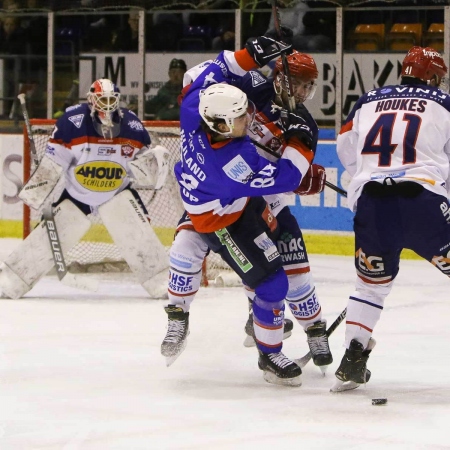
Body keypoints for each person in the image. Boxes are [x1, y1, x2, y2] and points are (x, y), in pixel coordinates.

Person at [167, 35, 328, 386]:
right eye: (297, 85)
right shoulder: (233, 161)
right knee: (192, 250)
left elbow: (209, 74)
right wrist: (299, 159)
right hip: (227, 202)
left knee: (290, 265)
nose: (302, 95)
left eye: (308, 88)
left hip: (234, 196)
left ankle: (286, 323)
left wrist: (246, 55)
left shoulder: (196, 108)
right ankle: (181, 315)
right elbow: (281, 176)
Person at [332, 46, 450, 392]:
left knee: (370, 286)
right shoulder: (443, 103)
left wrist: (364, 179)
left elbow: (344, 145)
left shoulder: (368, 99)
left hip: (373, 203)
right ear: (431, 76)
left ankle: (352, 359)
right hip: (423, 201)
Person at [0, 78, 170, 300]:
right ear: (91, 99)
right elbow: (53, 164)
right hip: (77, 194)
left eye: (111, 99)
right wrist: (39, 189)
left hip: (116, 192)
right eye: (102, 99)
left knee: (138, 236)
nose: (107, 105)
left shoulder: (131, 124)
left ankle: (162, 282)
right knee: (48, 238)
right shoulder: (72, 121)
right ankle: (11, 281)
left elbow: (143, 162)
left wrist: (153, 163)